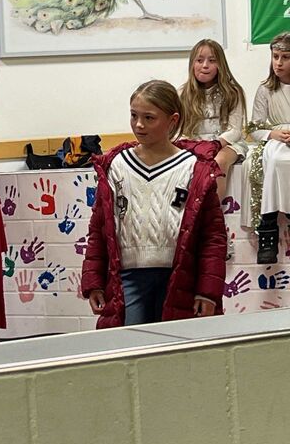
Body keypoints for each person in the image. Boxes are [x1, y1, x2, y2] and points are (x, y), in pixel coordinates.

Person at [81, 80, 226, 328]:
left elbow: (213, 237)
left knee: (177, 347)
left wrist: (207, 292)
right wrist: (93, 282)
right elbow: (98, 230)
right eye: (134, 116)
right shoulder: (116, 166)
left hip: (180, 278)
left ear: (172, 120)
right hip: (128, 278)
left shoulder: (194, 168)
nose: (139, 124)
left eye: (149, 118)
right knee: (131, 345)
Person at [241, 32, 290, 264]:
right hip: (276, 139)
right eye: (275, 56)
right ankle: (267, 227)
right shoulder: (266, 90)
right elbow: (254, 127)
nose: (278, 63)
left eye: (285, 57)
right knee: (274, 159)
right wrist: (273, 134)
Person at [179, 39, 247, 204]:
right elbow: (180, 129)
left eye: (212, 60)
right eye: (199, 60)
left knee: (219, 161)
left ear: (221, 65)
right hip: (196, 144)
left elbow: (234, 130)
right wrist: (194, 146)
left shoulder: (233, 92)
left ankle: (212, 210)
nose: (205, 65)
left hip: (228, 144)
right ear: (192, 64)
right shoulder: (183, 93)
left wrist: (215, 145)